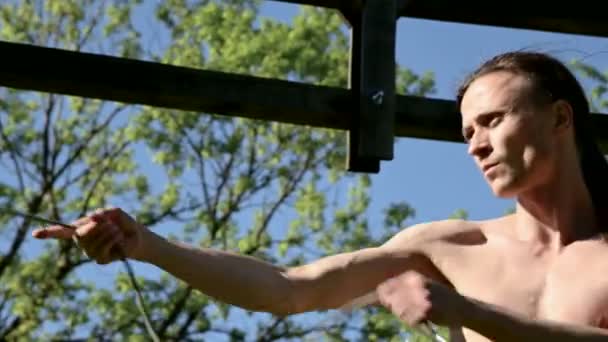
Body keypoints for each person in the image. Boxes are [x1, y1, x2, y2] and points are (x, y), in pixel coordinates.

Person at [33, 51, 608, 342]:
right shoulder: (450, 247)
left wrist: (466, 312)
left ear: (560, 117)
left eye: (493, 121)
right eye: (466, 133)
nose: (475, 146)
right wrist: (148, 245)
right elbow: (288, 289)